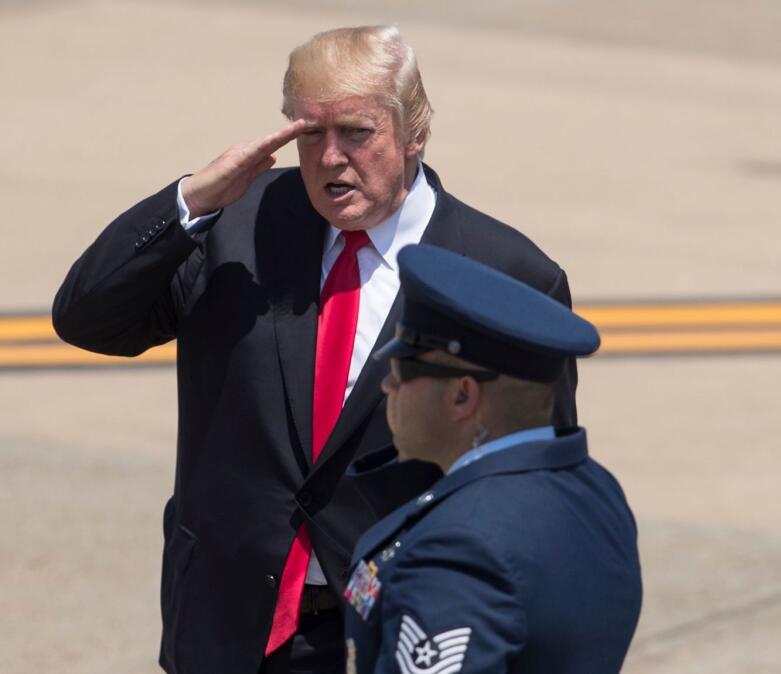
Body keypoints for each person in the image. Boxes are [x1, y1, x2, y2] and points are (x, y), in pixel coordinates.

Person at [52, 25, 577, 674]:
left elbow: (535, 487)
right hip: (225, 626)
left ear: (414, 132)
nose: (330, 158)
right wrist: (191, 201)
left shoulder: (506, 274)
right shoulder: (236, 226)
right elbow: (88, 320)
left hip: (394, 634)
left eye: (356, 132)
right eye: (309, 134)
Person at [342, 244, 641, 674]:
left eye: (403, 371)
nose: (388, 387)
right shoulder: (597, 489)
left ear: (462, 394)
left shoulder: (459, 551)